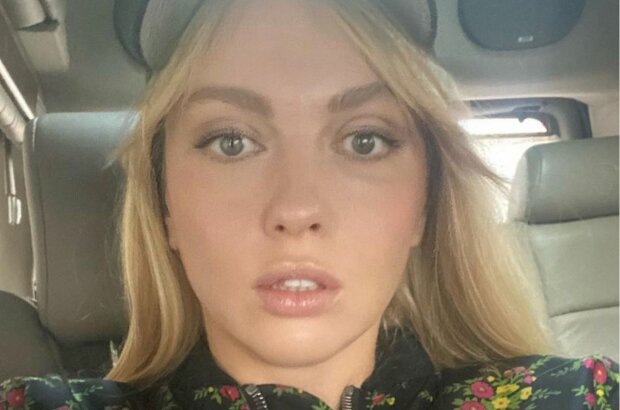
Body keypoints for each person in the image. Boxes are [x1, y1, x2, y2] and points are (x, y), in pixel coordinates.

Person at [1, 0, 618, 409]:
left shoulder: (575, 398)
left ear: (425, 206)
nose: (296, 210)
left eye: (364, 140)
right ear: (165, 208)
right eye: (231, 141)